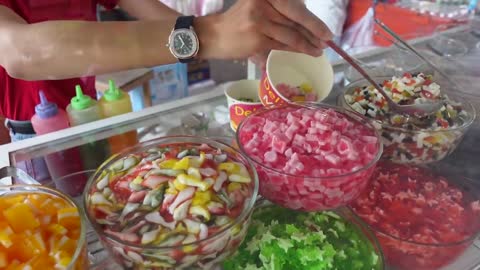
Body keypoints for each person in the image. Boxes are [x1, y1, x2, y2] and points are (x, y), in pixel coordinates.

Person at [0, 0, 332, 180]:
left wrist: (238, 39)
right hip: (34, 136)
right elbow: (22, 51)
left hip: (89, 115)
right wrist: (210, 34)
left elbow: (157, 13)